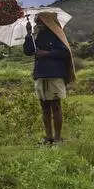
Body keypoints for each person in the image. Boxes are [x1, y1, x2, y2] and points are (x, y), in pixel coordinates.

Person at [23, 12, 75, 144]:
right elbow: (28, 51)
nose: (37, 23)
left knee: (56, 106)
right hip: (40, 74)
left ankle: (57, 138)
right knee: (44, 107)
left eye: (39, 21)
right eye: (37, 21)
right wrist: (28, 34)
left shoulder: (58, 34)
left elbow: (65, 52)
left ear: (47, 21)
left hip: (55, 75)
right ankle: (48, 137)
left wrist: (46, 53)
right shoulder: (37, 35)